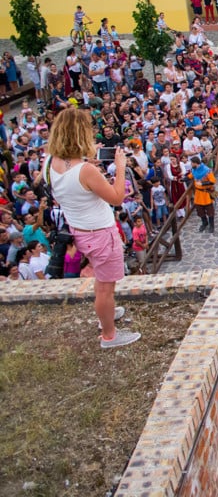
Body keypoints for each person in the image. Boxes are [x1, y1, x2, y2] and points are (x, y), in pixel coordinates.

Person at [45, 108, 140, 348]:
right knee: (106, 287)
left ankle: (106, 315)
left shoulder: (49, 162)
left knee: (102, 279)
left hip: (79, 229)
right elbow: (117, 197)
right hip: (100, 232)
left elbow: (74, 181)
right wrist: (120, 167)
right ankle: (109, 335)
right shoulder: (86, 171)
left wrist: (87, 162)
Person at [187, 155, 218, 233]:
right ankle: (204, 223)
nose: (191, 164)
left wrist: (203, 184)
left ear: (195, 163)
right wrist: (183, 179)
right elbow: (190, 176)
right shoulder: (194, 170)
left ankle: (211, 225)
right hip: (198, 194)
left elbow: (213, 181)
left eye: (192, 163)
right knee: (200, 210)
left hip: (206, 194)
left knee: (210, 211)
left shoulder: (207, 171)